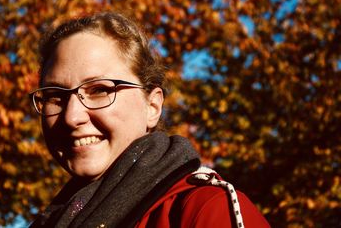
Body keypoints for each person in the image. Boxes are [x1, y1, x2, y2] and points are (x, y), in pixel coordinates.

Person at [28, 12, 270, 227]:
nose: (72, 117)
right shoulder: (52, 220)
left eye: (100, 90)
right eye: (55, 96)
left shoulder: (202, 210)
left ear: (152, 106)